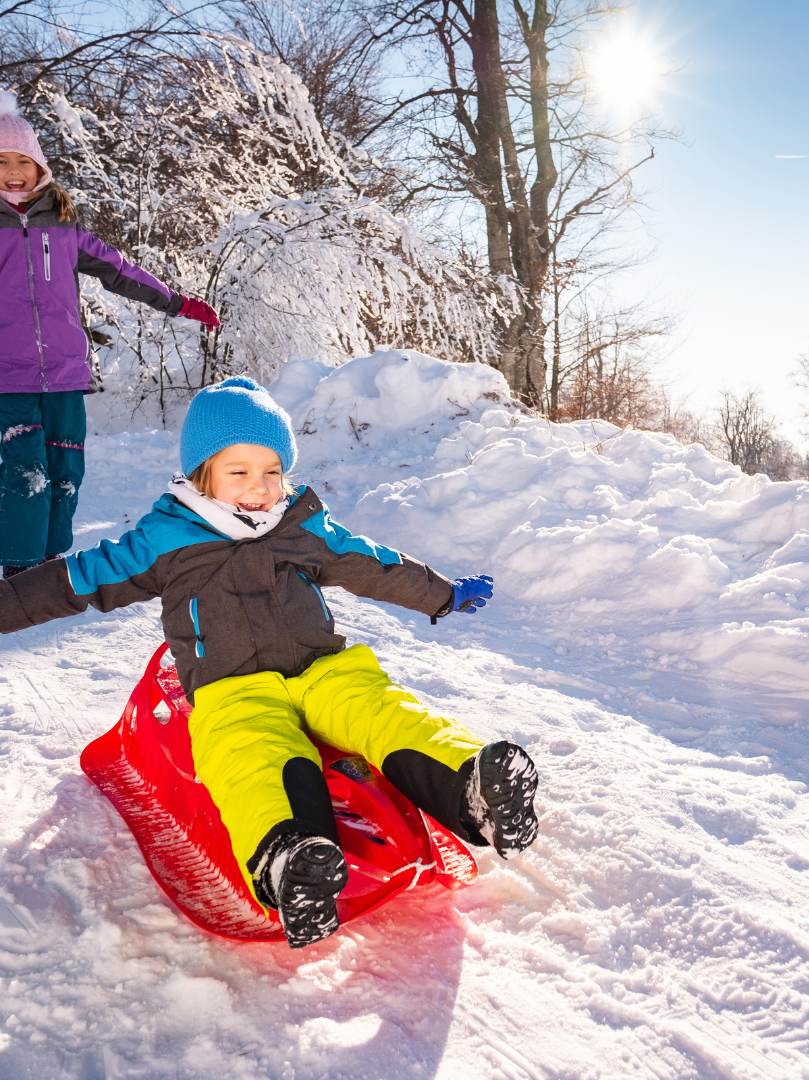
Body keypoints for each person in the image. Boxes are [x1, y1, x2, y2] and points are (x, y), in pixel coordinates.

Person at [0, 377, 540, 948]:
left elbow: (371, 564)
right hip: (233, 689)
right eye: (239, 472)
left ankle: (473, 788)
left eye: (272, 472)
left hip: (322, 669)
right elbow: (78, 578)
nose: (259, 488)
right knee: (249, 755)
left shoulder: (301, 527)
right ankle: (291, 859)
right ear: (201, 474)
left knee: (384, 712)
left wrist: (442, 593)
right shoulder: (165, 539)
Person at [0, 91, 220, 579]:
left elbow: (121, 271)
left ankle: (50, 562)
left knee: (64, 473)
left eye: (23, 161)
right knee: (23, 472)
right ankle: (18, 568)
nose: (13, 171)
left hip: (63, 373)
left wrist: (177, 302)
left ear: (40, 169)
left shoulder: (63, 227)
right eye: (1, 161)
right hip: (6, 376)